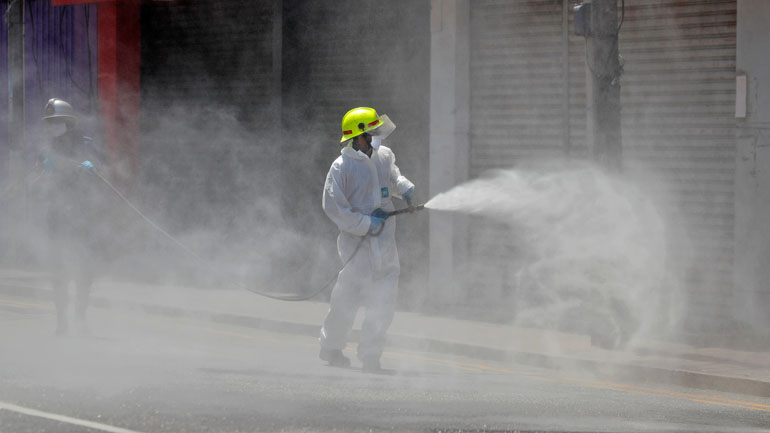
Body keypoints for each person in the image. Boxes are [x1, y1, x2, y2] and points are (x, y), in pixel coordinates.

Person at [319, 107, 415, 372]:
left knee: (384, 302)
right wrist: (363, 224)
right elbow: (333, 206)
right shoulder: (342, 167)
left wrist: (403, 186)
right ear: (357, 137)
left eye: (375, 132)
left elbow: (392, 177)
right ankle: (332, 347)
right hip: (357, 248)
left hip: (385, 245)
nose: (375, 137)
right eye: (370, 133)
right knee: (346, 300)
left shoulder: (384, 156)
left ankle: (371, 354)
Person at [38, 98, 106, 336]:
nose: (52, 126)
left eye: (56, 121)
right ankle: (61, 322)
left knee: (84, 270)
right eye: (49, 122)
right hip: (57, 216)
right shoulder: (47, 147)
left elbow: (102, 167)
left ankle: (80, 318)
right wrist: (44, 167)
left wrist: (92, 167)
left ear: (67, 121)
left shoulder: (84, 144)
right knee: (58, 271)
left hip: (82, 214)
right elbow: (41, 177)